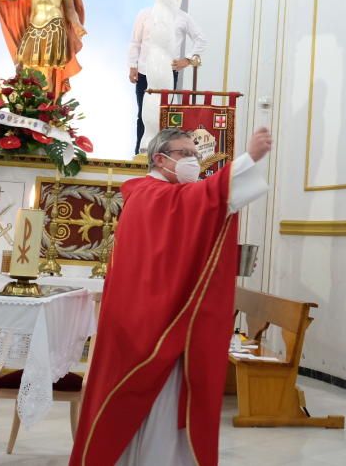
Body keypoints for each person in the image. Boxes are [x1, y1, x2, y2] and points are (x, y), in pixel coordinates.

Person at [70, 127, 272, 466]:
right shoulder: (154, 195)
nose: (193, 161)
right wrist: (248, 158)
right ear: (160, 158)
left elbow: (197, 210)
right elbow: (207, 199)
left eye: (196, 155)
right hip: (153, 332)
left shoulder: (149, 194)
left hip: (151, 323)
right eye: (185, 154)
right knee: (153, 414)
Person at [128, 0, 206, 154]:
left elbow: (200, 38)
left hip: (168, 74)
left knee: (166, 114)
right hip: (144, 72)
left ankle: (162, 155)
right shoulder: (145, 14)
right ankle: (140, 153)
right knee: (143, 114)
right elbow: (135, 42)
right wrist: (132, 66)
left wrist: (188, 59)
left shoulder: (183, 17)